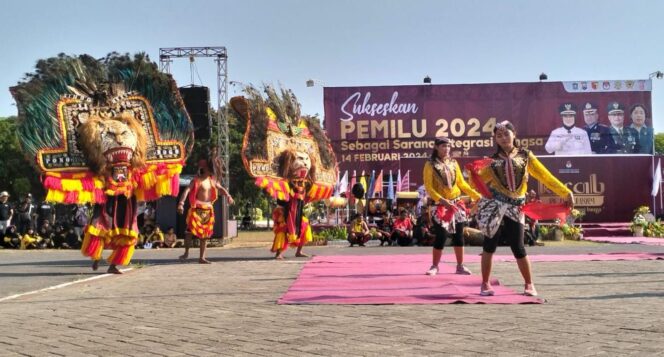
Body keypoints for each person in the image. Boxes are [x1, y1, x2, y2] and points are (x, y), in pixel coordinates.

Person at [473, 121, 573, 297]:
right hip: (495, 206)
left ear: (514, 134)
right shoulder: (491, 162)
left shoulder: (526, 156)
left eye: (506, 134)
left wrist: (565, 192)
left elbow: (545, 176)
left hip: (515, 207)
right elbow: (477, 182)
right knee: (489, 246)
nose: (503, 138)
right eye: (499, 136)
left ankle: (529, 284)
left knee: (518, 247)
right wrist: (471, 179)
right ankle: (485, 283)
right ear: (495, 139)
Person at [423, 137, 481, 276]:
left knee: (459, 236)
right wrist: (442, 200)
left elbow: (461, 184)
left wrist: (476, 195)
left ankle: (460, 266)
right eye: (443, 146)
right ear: (436, 147)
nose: (446, 149)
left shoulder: (454, 163)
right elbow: (429, 187)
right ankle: (435, 266)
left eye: (448, 146)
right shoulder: (430, 164)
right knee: (442, 236)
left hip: (456, 204)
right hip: (440, 205)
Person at [177, 158, 234, 264]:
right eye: (209, 168)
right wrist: (181, 203)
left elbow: (221, 188)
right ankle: (186, 252)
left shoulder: (212, 180)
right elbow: (187, 190)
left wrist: (229, 196)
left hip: (208, 210)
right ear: (204, 168)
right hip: (196, 209)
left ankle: (202, 257)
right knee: (189, 233)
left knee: (205, 235)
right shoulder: (196, 180)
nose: (211, 171)